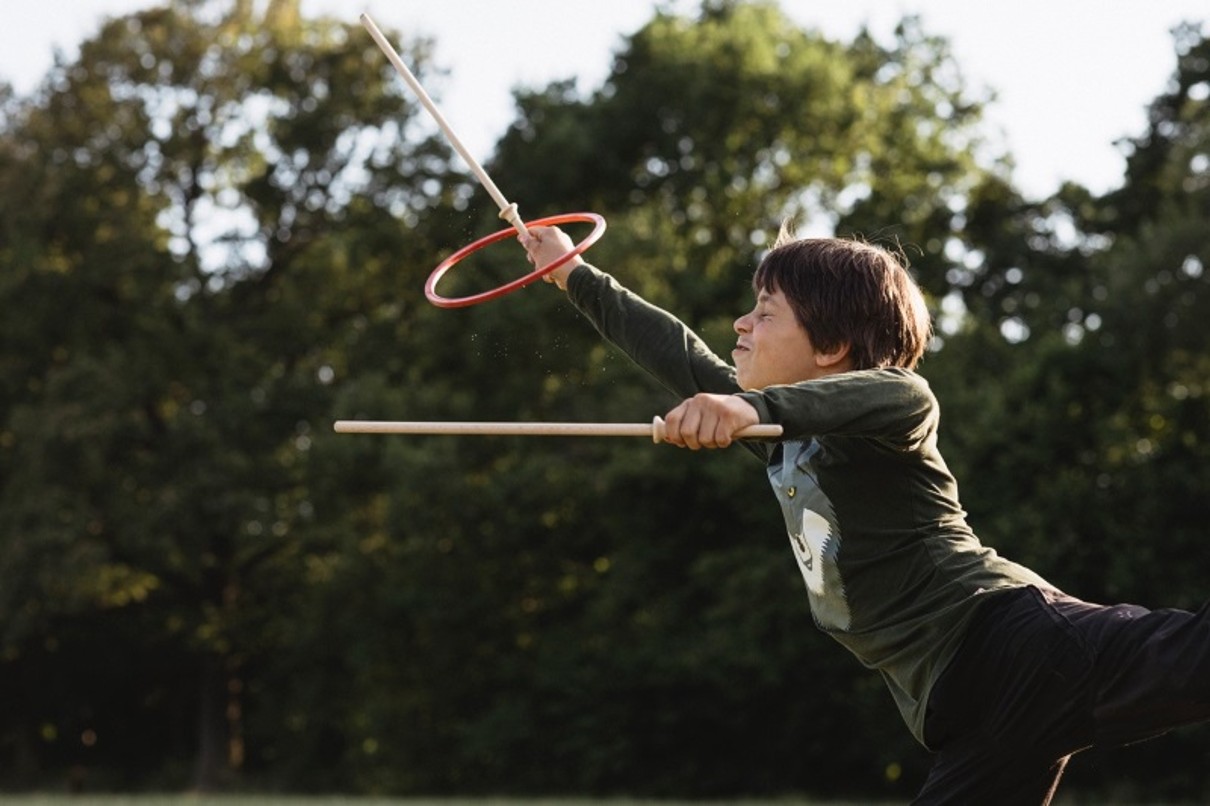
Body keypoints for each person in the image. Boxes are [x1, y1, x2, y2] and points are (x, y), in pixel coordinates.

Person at [519, 223, 1210, 805]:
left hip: (1015, 643)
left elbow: (870, 396)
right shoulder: (779, 448)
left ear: (829, 349)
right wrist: (574, 274)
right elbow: (676, 353)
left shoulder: (899, 406)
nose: (741, 323)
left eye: (766, 312)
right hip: (970, 717)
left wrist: (746, 408)